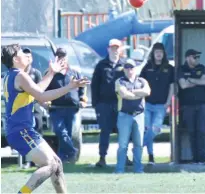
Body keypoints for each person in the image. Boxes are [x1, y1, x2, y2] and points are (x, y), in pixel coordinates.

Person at [1, 44, 89, 193]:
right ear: (16, 59)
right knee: (50, 165)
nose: (27, 56)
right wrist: (69, 87)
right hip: (21, 130)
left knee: (57, 164)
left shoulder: (11, 75)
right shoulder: (20, 75)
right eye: (23, 53)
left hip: (20, 130)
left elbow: (38, 90)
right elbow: (41, 95)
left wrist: (52, 73)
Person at [45, 48, 87, 163]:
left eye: (63, 57)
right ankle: (72, 151)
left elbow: (82, 87)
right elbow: (44, 90)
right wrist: (46, 101)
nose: (61, 59)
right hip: (56, 109)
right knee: (60, 132)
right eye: (59, 57)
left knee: (68, 134)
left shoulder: (75, 72)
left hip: (72, 109)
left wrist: (83, 99)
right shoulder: (50, 73)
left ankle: (63, 158)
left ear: (67, 58)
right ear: (55, 58)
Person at [91, 39, 126, 167]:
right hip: (104, 104)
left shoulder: (125, 65)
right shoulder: (101, 65)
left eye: (117, 48)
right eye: (112, 48)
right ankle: (102, 158)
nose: (114, 50)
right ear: (108, 49)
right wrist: (96, 105)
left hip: (120, 104)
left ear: (120, 49)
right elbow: (94, 86)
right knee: (105, 131)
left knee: (123, 131)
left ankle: (124, 157)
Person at [115, 59, 151, 173]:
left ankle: (138, 169)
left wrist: (132, 92)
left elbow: (147, 92)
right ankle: (119, 170)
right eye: (127, 67)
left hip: (139, 115)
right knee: (123, 145)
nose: (129, 70)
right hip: (124, 115)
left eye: (131, 67)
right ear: (124, 69)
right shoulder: (120, 81)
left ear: (135, 68)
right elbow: (124, 94)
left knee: (139, 144)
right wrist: (138, 94)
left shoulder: (142, 80)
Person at [140, 43, 174, 165]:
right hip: (148, 104)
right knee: (148, 129)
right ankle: (151, 156)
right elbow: (141, 83)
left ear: (164, 53)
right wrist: (142, 100)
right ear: (153, 53)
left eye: (160, 52)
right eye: (156, 52)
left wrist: (168, 102)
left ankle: (137, 148)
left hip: (161, 105)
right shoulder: (147, 67)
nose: (158, 54)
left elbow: (172, 86)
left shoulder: (169, 68)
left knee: (155, 129)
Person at [178, 49, 205, 165]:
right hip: (188, 105)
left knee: (201, 131)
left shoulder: (202, 68)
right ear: (187, 58)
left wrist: (190, 79)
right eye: (194, 57)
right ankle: (194, 159)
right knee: (192, 132)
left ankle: (202, 159)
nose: (197, 59)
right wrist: (197, 81)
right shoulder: (181, 69)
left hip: (202, 104)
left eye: (197, 57)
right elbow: (183, 85)